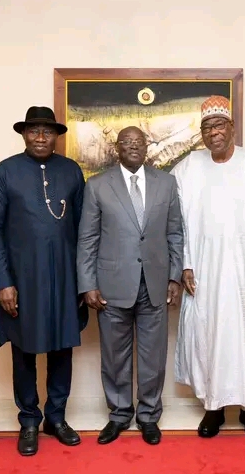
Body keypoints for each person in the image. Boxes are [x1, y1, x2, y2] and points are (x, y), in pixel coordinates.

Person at [171, 95, 245, 438]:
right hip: (204, 269)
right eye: (207, 127)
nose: (213, 132)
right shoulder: (188, 169)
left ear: (232, 127)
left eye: (219, 125)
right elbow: (178, 223)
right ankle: (213, 408)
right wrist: (186, 264)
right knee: (208, 333)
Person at [0, 106, 88, 456]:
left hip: (64, 276)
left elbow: (84, 230)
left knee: (61, 349)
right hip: (21, 280)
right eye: (34, 131)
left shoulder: (71, 170)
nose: (41, 137)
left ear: (56, 136)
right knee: (24, 351)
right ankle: (29, 420)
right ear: (24, 135)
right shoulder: (5, 171)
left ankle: (56, 418)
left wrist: (83, 280)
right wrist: (4, 282)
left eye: (47, 131)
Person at [77, 126, 183, 446]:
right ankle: (120, 414)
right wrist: (87, 283)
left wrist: (174, 276)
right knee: (114, 356)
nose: (134, 146)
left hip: (154, 283)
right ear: (117, 147)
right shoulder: (97, 185)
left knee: (153, 356)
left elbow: (175, 233)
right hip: (111, 285)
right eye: (127, 142)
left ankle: (148, 415)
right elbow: (87, 238)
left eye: (139, 142)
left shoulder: (166, 183)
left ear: (147, 147)